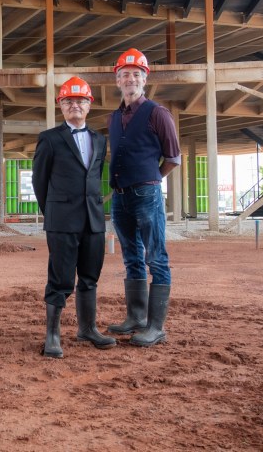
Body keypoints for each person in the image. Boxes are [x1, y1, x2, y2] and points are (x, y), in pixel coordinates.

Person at [33, 76, 116, 358]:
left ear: (89, 105)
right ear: (61, 105)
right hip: (62, 221)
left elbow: (95, 178)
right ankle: (52, 335)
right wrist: (54, 213)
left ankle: (88, 329)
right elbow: (39, 182)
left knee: (90, 276)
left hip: (93, 220)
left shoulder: (99, 139)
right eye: (69, 101)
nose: (75, 106)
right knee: (61, 279)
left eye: (80, 101)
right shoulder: (49, 139)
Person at [107, 49, 181, 347]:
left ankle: (156, 326)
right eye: (125, 74)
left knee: (156, 256)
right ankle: (136, 318)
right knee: (131, 256)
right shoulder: (114, 117)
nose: (130, 79)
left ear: (145, 79)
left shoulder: (158, 113)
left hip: (146, 193)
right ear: (118, 80)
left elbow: (173, 158)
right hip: (120, 196)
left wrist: (152, 182)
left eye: (136, 74)